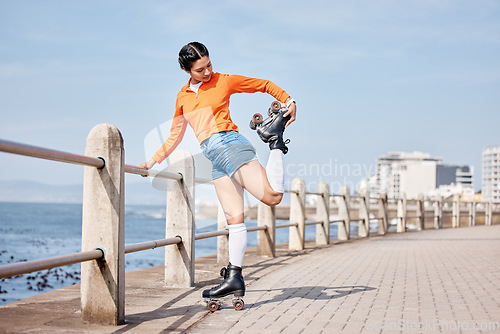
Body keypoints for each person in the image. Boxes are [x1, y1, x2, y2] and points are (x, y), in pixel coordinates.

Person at [139, 42, 296, 302]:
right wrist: (152, 162)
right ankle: (234, 277)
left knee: (272, 197)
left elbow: (264, 84)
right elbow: (175, 135)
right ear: (186, 69)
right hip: (214, 157)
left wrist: (289, 101)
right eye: (200, 69)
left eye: (209, 65)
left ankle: (276, 142)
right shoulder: (183, 97)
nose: (208, 72)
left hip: (229, 144)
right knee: (235, 220)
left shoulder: (223, 81)